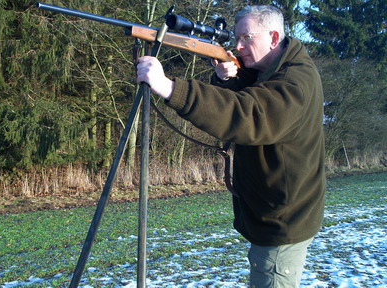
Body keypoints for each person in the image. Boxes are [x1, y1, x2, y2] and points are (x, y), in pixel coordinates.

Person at [137, 5, 325, 288]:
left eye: (247, 38)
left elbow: (249, 113)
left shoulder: (294, 81)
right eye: (236, 38)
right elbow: (254, 92)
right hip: (276, 213)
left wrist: (169, 87)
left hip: (281, 221)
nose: (238, 46)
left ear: (274, 38)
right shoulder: (276, 68)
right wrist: (231, 78)